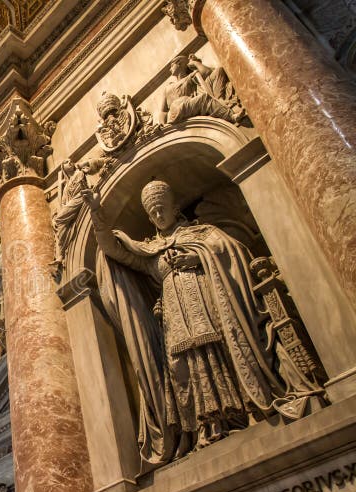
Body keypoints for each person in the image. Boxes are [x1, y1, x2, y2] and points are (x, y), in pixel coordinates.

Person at [87, 180, 286, 468]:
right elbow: (113, 249)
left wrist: (199, 257)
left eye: (162, 209)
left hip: (210, 305)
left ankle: (239, 414)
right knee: (183, 368)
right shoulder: (152, 252)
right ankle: (205, 427)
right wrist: (96, 213)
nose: (158, 215)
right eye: (152, 212)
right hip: (175, 318)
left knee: (220, 352)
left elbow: (231, 250)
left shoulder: (203, 234)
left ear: (175, 207)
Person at [160, 54, 245, 124]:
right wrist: (162, 125)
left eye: (172, 66)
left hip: (189, 106)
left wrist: (195, 63)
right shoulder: (168, 88)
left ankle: (219, 101)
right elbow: (163, 111)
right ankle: (230, 116)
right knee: (204, 98)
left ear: (180, 64)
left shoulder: (189, 78)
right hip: (176, 111)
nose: (170, 69)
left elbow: (207, 72)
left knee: (219, 71)